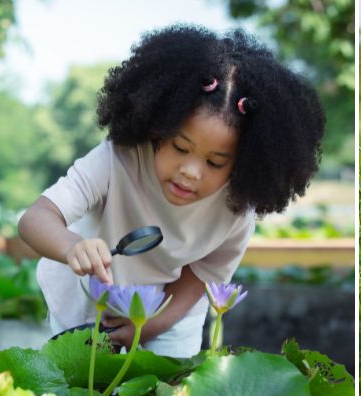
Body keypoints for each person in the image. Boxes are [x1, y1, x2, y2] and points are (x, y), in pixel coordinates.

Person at [18, 24, 325, 358]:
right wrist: (71, 247)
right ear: (156, 128)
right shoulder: (117, 158)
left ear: (244, 165)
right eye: (180, 147)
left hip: (169, 313)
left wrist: (152, 325)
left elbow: (200, 277)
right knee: (84, 383)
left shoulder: (237, 209)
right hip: (88, 298)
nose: (191, 172)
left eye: (216, 162)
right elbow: (36, 219)